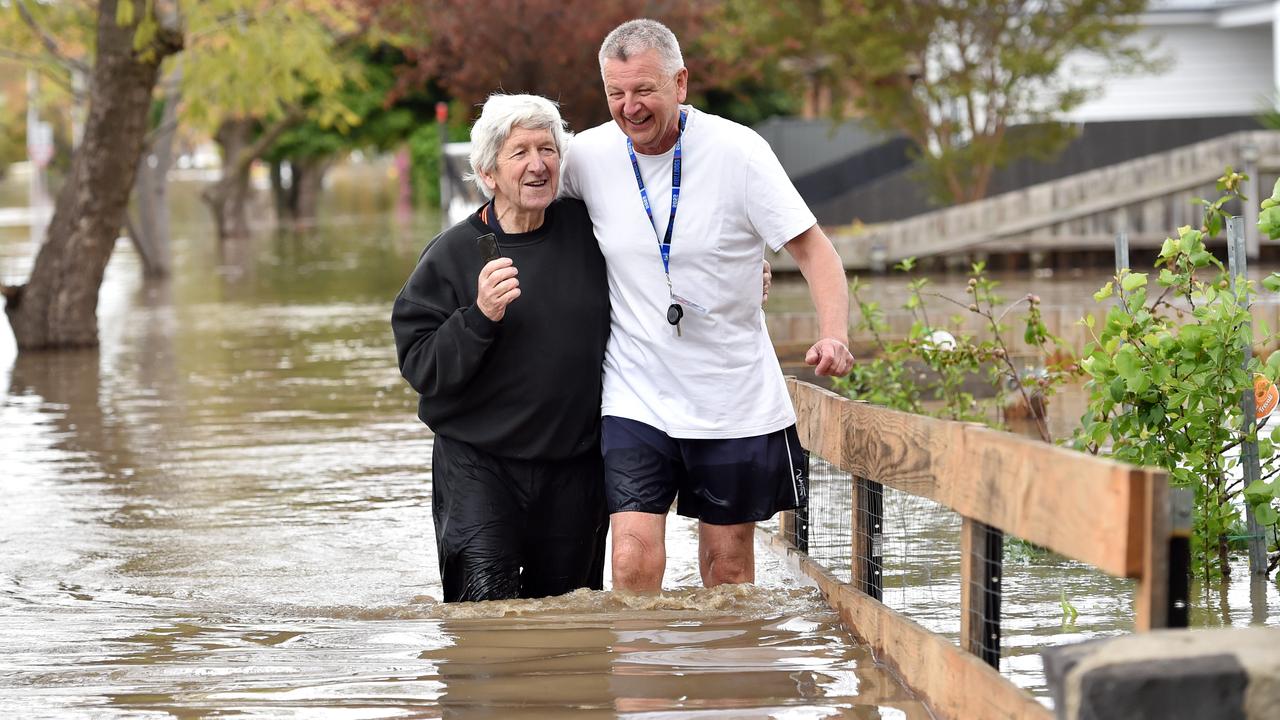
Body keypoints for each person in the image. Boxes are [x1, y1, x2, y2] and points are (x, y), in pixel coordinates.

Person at [561, 18, 854, 593]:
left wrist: (834, 333)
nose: (629, 107)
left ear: (681, 83)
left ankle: (723, 678)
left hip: (730, 393)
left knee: (728, 571)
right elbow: (525, 209)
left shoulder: (739, 152)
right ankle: (641, 678)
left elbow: (816, 251)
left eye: (644, 90)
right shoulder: (586, 156)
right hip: (636, 389)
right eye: (615, 93)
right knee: (630, 557)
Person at [391, 94, 609, 602]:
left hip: (574, 467)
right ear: (488, 174)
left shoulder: (591, 233)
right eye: (520, 152)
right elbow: (420, 365)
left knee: (570, 629)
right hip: (478, 470)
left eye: (548, 149)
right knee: (483, 630)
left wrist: (736, 274)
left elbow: (657, 267)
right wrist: (478, 317)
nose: (538, 164)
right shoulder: (451, 255)